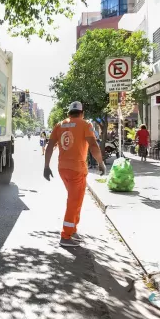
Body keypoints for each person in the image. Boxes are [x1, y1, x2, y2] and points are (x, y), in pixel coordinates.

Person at [43, 101, 106, 247]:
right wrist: (101, 163)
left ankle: (72, 230)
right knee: (74, 201)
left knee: (76, 199)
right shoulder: (85, 124)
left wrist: (46, 166)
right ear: (81, 113)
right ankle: (65, 236)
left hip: (62, 169)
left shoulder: (59, 125)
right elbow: (94, 146)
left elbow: (50, 146)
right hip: (77, 169)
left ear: (69, 113)